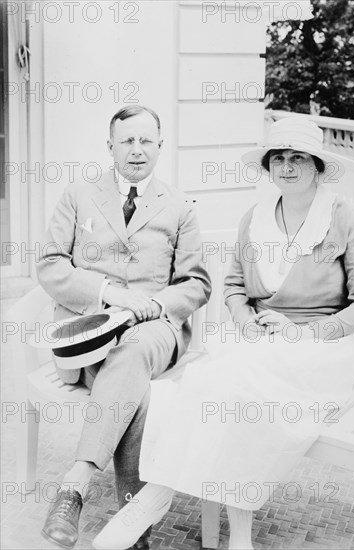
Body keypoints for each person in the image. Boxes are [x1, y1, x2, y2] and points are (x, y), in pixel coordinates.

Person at [92, 117, 354, 550]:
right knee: (220, 390)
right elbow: (232, 286)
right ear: (269, 167)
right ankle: (229, 533)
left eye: (298, 158)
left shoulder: (343, 220)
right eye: (279, 158)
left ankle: (155, 499)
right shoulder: (256, 217)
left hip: (322, 349)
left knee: (229, 388)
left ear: (318, 167)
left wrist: (305, 332)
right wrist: (245, 319)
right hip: (259, 344)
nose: (287, 167)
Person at [37, 105, 211, 550]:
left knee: (130, 356)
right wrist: (108, 294)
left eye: (146, 141)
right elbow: (51, 265)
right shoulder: (78, 194)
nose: (137, 150)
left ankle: (74, 485)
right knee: (135, 390)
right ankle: (133, 528)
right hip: (88, 330)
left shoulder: (180, 206)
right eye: (127, 141)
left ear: (159, 146)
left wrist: (151, 304)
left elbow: (196, 283)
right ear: (109, 146)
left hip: (153, 328)